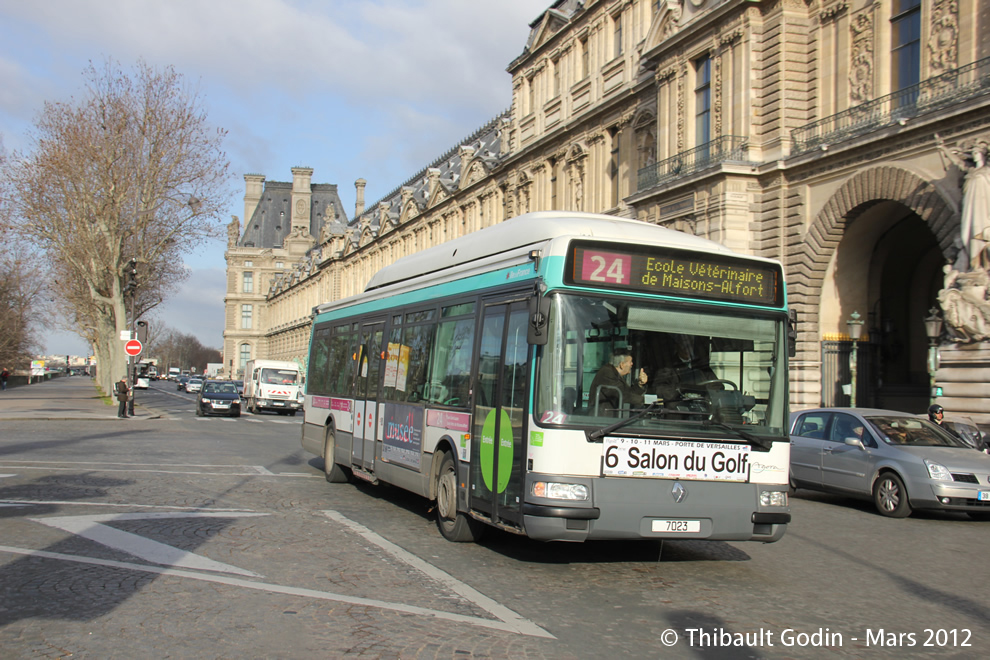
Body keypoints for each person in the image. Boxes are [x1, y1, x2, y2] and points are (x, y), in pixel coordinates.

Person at [589, 349, 648, 416]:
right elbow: (622, 395)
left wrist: (640, 384)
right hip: (602, 421)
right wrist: (645, 400)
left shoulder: (614, 374)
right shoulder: (607, 373)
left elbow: (628, 393)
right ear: (622, 365)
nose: (632, 364)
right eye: (630, 362)